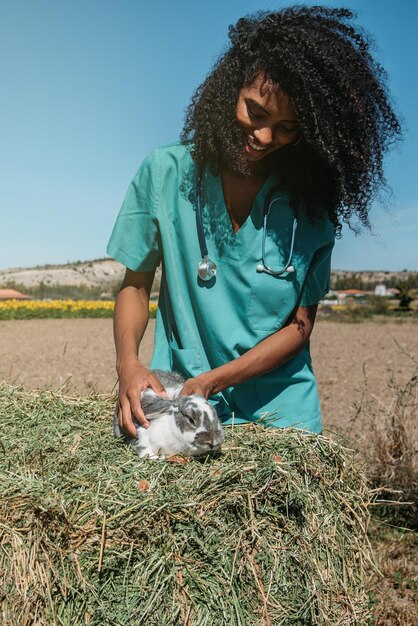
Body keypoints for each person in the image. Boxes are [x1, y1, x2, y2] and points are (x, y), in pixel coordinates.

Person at [107, 6, 401, 439]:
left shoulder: (311, 206)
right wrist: (129, 365)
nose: (264, 137)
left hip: (281, 417)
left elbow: (299, 327)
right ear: (230, 88)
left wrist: (216, 379)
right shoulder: (165, 172)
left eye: (286, 127)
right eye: (256, 112)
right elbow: (135, 282)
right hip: (186, 413)